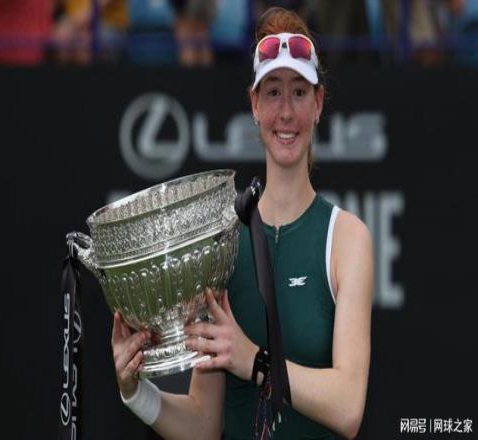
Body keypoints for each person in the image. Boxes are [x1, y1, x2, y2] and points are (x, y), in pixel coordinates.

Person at [111, 6, 373, 439]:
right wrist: (135, 391)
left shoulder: (347, 238)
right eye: (273, 92)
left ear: (318, 104)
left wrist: (252, 360)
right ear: (254, 104)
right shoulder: (223, 241)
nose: (285, 112)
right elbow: (204, 424)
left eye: (299, 92)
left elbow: (347, 407)